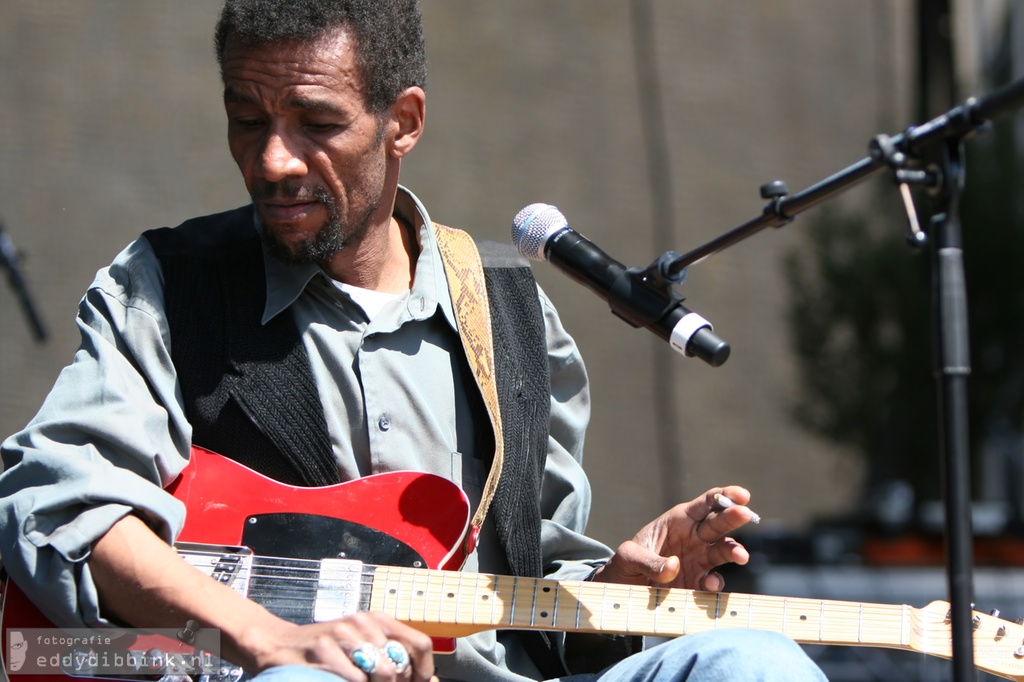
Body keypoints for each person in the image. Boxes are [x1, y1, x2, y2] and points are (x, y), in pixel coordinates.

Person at [0, 1, 827, 681]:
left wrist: (617, 587)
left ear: (404, 122)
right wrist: (262, 637)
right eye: (246, 120)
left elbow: (533, 598)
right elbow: (56, 499)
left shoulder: (510, 306)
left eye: (316, 123)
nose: (272, 159)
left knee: (754, 661)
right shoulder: (169, 284)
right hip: (273, 675)